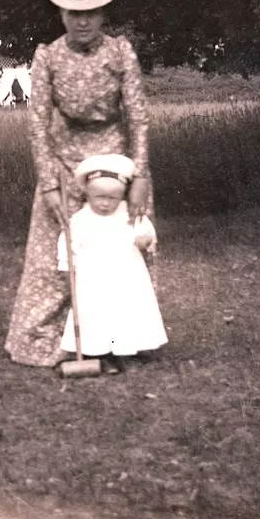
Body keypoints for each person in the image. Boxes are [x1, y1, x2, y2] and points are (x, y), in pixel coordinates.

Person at [5, 0, 153, 368]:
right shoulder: (47, 57)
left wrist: (138, 174)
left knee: (119, 251)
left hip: (116, 162)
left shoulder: (121, 53)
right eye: (73, 13)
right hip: (66, 159)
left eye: (90, 13)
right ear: (62, 13)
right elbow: (37, 125)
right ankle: (62, 340)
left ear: (102, 13)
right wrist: (50, 183)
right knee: (59, 253)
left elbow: (138, 115)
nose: (82, 22)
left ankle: (121, 340)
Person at [56, 154, 167, 374]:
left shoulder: (129, 214)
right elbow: (67, 244)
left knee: (126, 312)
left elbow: (146, 232)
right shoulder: (80, 220)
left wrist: (145, 240)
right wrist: (68, 266)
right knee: (94, 315)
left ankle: (127, 352)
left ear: (121, 196)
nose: (105, 203)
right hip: (92, 279)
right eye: (99, 197)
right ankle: (97, 354)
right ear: (87, 194)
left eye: (112, 198)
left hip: (126, 276)